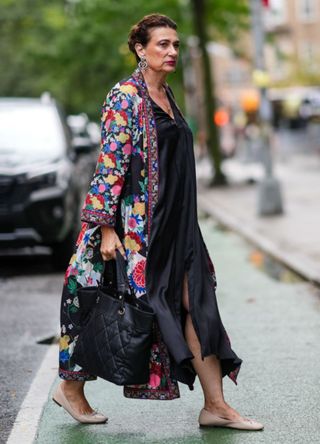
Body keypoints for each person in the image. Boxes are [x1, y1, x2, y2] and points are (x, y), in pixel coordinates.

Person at [53, 14, 264, 431]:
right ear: (140, 48)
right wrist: (107, 226)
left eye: (176, 45)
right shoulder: (125, 96)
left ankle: (216, 406)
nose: (171, 52)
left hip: (179, 227)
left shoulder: (168, 95)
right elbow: (110, 161)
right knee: (102, 307)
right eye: (163, 44)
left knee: (198, 305)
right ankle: (71, 389)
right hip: (136, 229)